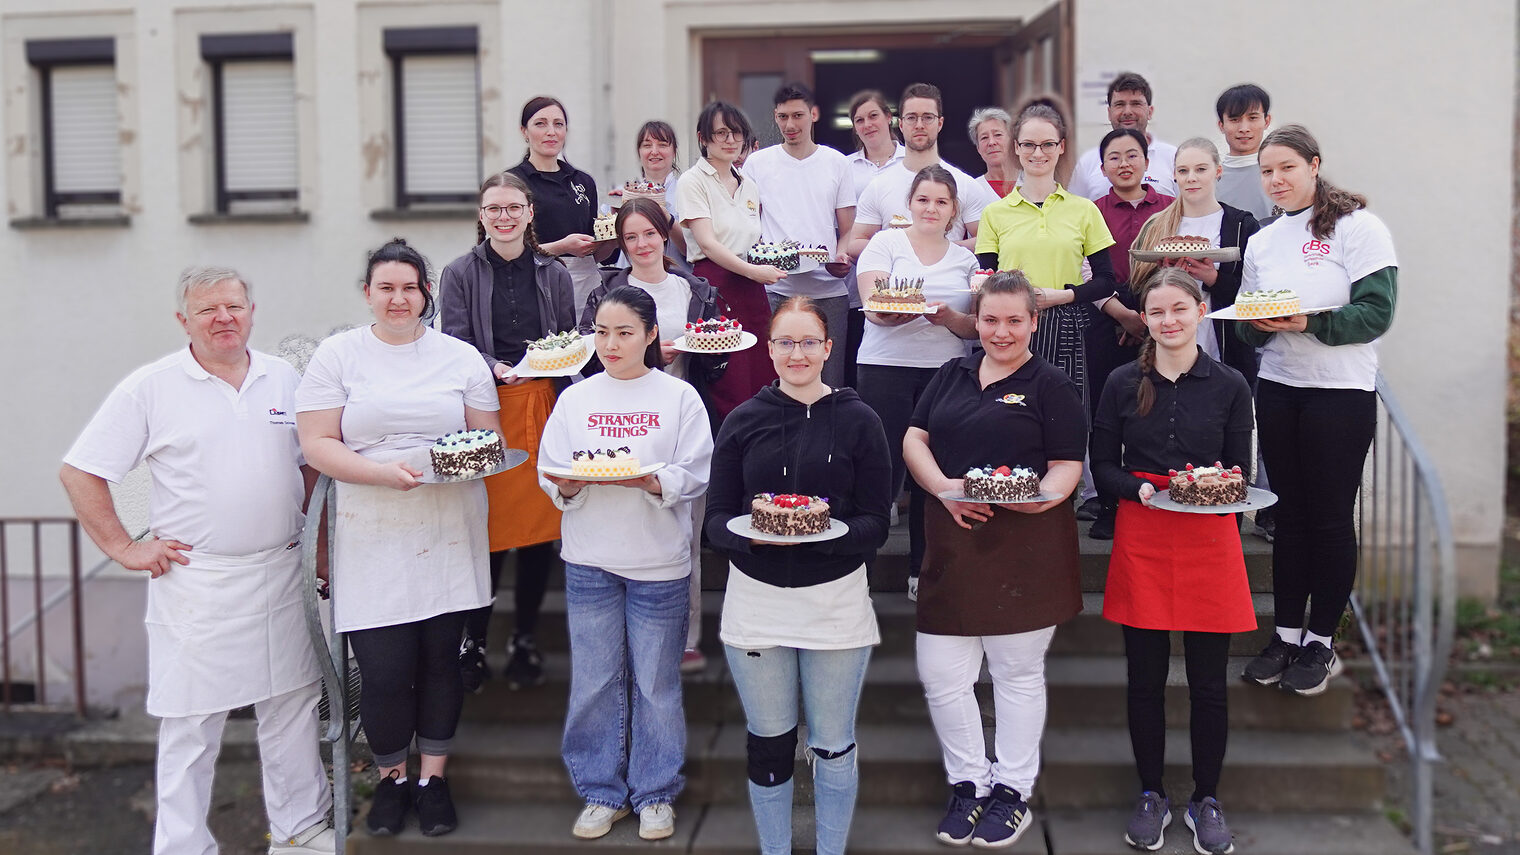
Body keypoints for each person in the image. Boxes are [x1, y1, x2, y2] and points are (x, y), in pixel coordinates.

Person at [60, 267, 335, 855]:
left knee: (292, 705)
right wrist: (124, 547)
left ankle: (299, 832)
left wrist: (321, 551)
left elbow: (312, 468)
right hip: (198, 582)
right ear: (183, 320)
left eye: (233, 306)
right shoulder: (152, 387)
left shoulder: (284, 378)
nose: (223, 319)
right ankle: (183, 846)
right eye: (207, 310)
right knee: (191, 725)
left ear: (252, 311)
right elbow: (81, 471)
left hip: (283, 572)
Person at [296, 239, 501, 838]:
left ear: (425, 294)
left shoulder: (460, 358)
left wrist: (442, 467)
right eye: (385, 287)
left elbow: (486, 442)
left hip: (448, 525)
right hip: (370, 526)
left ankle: (433, 779)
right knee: (383, 673)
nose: (398, 298)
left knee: (441, 664)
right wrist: (384, 473)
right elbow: (318, 444)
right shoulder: (338, 356)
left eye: (409, 287)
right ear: (367, 293)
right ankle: (392, 780)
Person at [704, 296, 892, 855]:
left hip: (835, 601)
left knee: (832, 744)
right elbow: (717, 517)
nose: (798, 353)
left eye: (809, 342)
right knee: (769, 742)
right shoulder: (743, 420)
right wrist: (750, 539)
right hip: (757, 602)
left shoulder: (860, 420)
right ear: (770, 349)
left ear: (829, 349)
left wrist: (829, 539)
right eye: (785, 342)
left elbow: (877, 521)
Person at [902, 272, 1084, 849]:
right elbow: (913, 439)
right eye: (989, 319)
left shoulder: (1051, 384)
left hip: (1025, 548)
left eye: (1013, 320)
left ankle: (1012, 791)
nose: (1000, 332)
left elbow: (1066, 464)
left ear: (1034, 321)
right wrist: (945, 491)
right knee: (942, 675)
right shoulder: (950, 373)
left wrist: (1036, 500)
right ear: (975, 321)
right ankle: (968, 784)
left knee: (1016, 676)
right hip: (953, 543)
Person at [538, 286, 714, 842]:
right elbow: (550, 468)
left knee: (656, 684)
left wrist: (653, 479)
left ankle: (655, 792)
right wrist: (563, 485)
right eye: (602, 332)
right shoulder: (576, 398)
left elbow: (696, 472)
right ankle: (599, 791)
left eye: (624, 332)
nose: (611, 344)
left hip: (659, 562)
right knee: (593, 681)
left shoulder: (679, 397)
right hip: (589, 559)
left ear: (652, 335)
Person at [1090, 268, 1256, 854]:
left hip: (1210, 536)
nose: (1168, 321)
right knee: (1146, 679)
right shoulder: (1118, 383)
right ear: (1146, 320)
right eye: (1156, 312)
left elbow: (1242, 473)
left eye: (1179, 310)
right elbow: (1102, 465)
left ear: (1200, 310)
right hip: (1144, 529)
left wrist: (1214, 497)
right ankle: (1151, 793)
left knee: (1210, 683)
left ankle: (1206, 798)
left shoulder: (1232, 384)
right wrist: (1131, 488)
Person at [1236, 125, 1398, 695]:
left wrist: (1311, 322)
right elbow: (1254, 322)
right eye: (1266, 172)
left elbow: (1377, 313)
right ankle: (1284, 635)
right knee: (1289, 516)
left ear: (1314, 165)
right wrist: (1255, 325)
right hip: (1280, 387)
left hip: (1341, 392)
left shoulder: (1359, 228)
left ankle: (1320, 642)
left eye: (1286, 168)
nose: (1276, 180)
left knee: (1329, 517)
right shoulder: (1262, 241)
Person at [441, 171, 578, 694]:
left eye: (513, 207)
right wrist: (496, 366)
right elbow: (454, 340)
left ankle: (524, 638)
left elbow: (568, 337)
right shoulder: (457, 273)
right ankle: (473, 642)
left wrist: (545, 364)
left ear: (528, 213)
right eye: (493, 208)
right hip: (484, 409)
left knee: (539, 530)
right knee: (489, 528)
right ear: (481, 215)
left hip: (541, 404)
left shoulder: (555, 273)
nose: (504, 216)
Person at [580, 197, 731, 674]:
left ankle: (686, 637)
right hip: (620, 425)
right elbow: (588, 358)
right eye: (630, 237)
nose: (641, 244)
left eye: (649, 234)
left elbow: (719, 360)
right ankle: (623, 631)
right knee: (622, 530)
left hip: (681, 421)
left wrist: (708, 350)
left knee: (684, 533)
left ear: (664, 235)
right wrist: (647, 356)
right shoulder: (606, 293)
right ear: (621, 244)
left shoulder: (694, 291)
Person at [855, 165, 979, 601]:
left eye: (941, 202)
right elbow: (874, 307)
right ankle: (859, 574)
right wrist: (896, 312)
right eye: (923, 199)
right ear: (909, 204)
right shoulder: (885, 243)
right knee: (879, 470)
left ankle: (923, 570)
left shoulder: (966, 260)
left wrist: (948, 318)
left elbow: (973, 328)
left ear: (954, 211)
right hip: (884, 368)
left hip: (945, 374)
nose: (931, 208)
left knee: (934, 475)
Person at [975, 103, 1117, 411]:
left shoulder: (1084, 210)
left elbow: (1106, 281)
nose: (1038, 153)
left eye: (1047, 144)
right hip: (1011, 328)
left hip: (1069, 328)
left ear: (1061, 146)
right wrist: (1009, 287)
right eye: (1029, 144)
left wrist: (1062, 296)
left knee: (1065, 420)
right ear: (1017, 147)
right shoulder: (995, 213)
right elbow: (985, 281)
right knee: (1010, 416)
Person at [1087, 127, 1174, 540]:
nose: (1124, 163)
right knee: (1108, 415)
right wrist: (1123, 316)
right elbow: (1082, 270)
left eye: (1132, 155)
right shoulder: (1090, 210)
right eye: (1114, 157)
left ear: (1146, 161)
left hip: (1161, 314)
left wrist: (1146, 318)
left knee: (1153, 412)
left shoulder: (1171, 208)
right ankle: (1107, 506)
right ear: (1102, 167)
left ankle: (1158, 499)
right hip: (1105, 316)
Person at [742, 81, 856, 388]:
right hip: (775, 289)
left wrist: (842, 256)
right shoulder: (757, 164)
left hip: (828, 289)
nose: (790, 125)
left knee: (829, 383)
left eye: (798, 115)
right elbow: (748, 225)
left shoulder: (836, 163)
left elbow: (847, 230)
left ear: (814, 114)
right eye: (782, 117)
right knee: (776, 380)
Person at [677, 100, 781, 419]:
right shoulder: (692, 181)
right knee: (727, 380)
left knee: (762, 373)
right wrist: (753, 271)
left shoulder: (748, 184)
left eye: (736, 133)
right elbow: (707, 243)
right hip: (715, 287)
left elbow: (752, 239)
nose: (730, 140)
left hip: (752, 287)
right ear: (703, 138)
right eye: (720, 133)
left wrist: (775, 261)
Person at [1130, 137, 1260, 387]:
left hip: (1226, 351)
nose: (1191, 178)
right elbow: (1137, 294)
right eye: (1183, 171)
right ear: (1174, 175)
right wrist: (1163, 279)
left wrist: (1213, 279)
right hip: (1166, 352)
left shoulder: (1242, 225)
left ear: (1218, 172)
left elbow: (1254, 297)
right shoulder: (1156, 226)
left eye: (1201, 169)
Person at [846, 82, 998, 259]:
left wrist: (941, 248)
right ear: (901, 124)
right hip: (895, 285)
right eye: (911, 118)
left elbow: (988, 239)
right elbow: (855, 242)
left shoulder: (963, 184)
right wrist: (901, 249)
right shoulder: (879, 185)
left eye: (927, 117)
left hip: (950, 284)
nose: (919, 125)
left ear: (940, 123)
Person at [507, 95, 616, 309]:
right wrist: (562, 247)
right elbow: (507, 252)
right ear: (524, 132)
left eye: (559, 124)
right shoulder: (512, 183)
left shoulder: (583, 182)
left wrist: (612, 239)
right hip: (533, 285)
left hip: (585, 289)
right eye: (540, 124)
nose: (551, 132)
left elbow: (595, 257)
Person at [841, 89, 906, 388]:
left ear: (890, 118)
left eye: (873, 116)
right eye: (859, 120)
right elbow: (840, 224)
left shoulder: (914, 163)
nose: (867, 125)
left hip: (908, 280)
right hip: (857, 283)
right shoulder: (845, 168)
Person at [1067, 72, 1178, 200]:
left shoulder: (1173, 158)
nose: (1127, 112)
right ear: (1109, 113)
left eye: (1136, 104)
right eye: (1119, 104)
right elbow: (1076, 212)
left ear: (1150, 112)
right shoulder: (1088, 162)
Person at [1214, 84, 1275, 221]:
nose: (1244, 128)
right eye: (1234, 120)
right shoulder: (1211, 178)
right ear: (1221, 125)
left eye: (1253, 118)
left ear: (1266, 121)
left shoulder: (1280, 174)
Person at [968, 107, 1014, 198]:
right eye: (984, 137)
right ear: (978, 148)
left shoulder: (1031, 184)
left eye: (998, 135)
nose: (991, 142)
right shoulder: (972, 190)